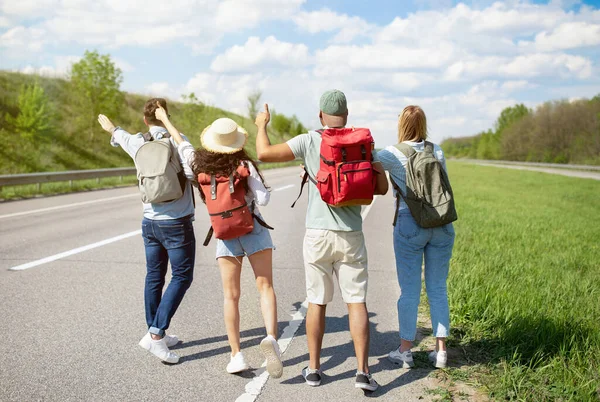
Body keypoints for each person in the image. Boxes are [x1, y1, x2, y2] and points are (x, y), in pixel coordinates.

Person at [254, 90, 388, 391]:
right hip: (351, 233)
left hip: (317, 234)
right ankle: (363, 373)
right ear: (347, 115)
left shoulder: (309, 140)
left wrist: (261, 125)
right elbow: (380, 188)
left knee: (317, 301)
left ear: (320, 115)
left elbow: (264, 153)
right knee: (356, 302)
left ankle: (314, 369)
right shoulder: (364, 142)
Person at [151, 104, 283, 378]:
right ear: (236, 142)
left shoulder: (199, 165)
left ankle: (236, 355)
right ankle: (271, 338)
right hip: (253, 229)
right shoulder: (244, 165)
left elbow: (182, 144)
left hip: (224, 234)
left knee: (231, 296)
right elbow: (264, 199)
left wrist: (164, 119)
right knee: (265, 287)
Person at [97, 98, 196, 364]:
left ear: (144, 120)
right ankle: (156, 335)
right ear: (166, 116)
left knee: (155, 276)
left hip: (149, 222)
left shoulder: (137, 142)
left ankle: (155, 330)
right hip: (176, 222)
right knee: (182, 277)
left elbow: (119, 134)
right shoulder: (177, 139)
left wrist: (112, 129)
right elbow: (194, 170)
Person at [376, 105, 455, 369]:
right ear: (424, 125)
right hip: (442, 223)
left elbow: (364, 160)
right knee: (438, 288)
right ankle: (441, 351)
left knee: (409, 290)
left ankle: (405, 351)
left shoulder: (391, 153)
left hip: (410, 224)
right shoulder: (437, 150)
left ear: (401, 125)